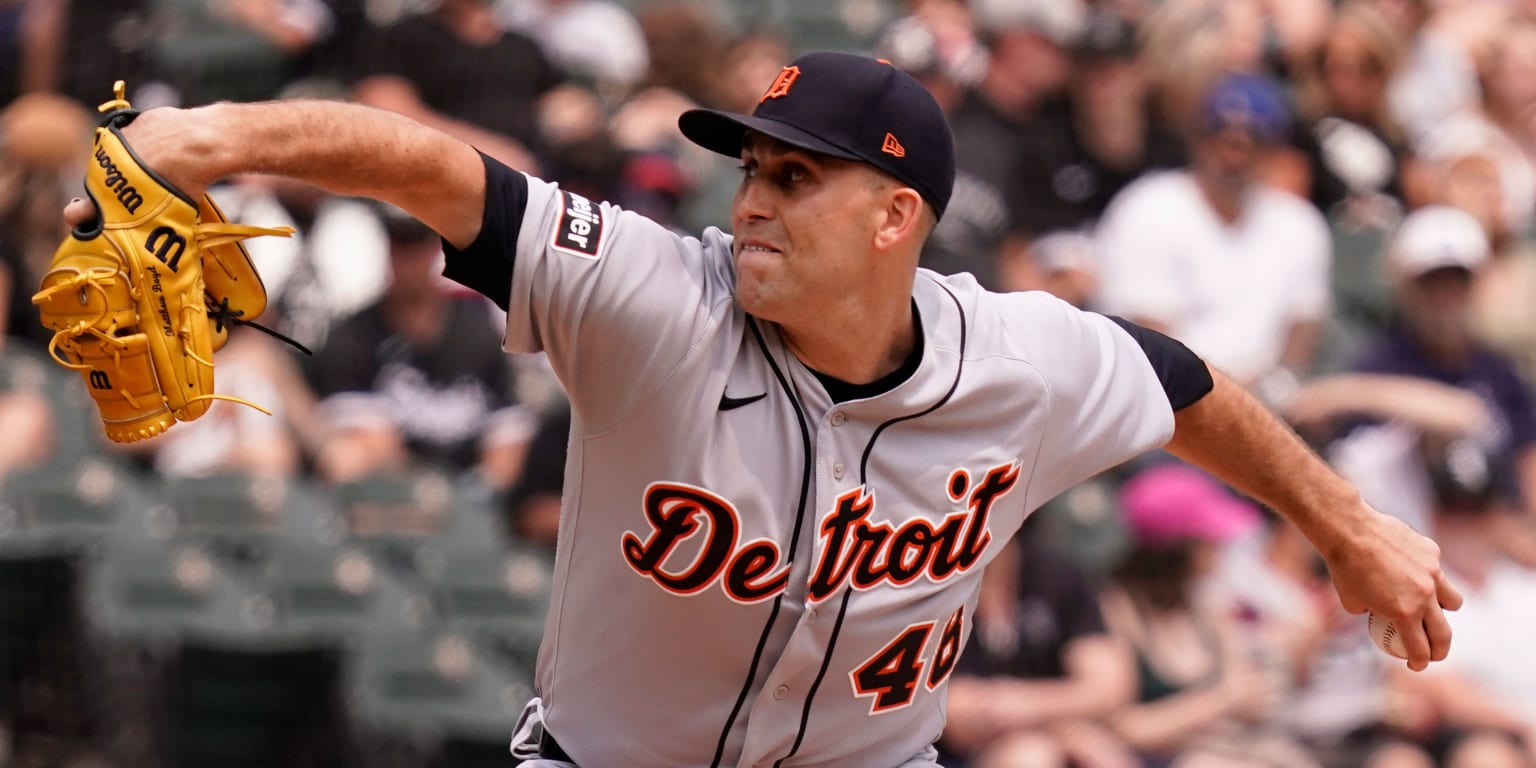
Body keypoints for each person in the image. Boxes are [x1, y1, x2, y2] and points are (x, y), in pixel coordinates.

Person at [63, 51, 1460, 767]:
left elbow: (1184, 383)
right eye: (754, 172)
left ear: (897, 217)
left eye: (799, 179)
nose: (754, 203)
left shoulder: (1020, 361)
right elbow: (432, 171)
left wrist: (1347, 530)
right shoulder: (657, 299)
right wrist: (207, 139)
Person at [1093, 72, 1333, 398]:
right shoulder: (1147, 207)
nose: (1234, 152)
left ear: (1273, 149)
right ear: (1197, 138)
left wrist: (1269, 387)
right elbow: (1146, 332)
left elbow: (1303, 327)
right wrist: (1224, 396)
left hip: (1265, 400)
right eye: (1220, 134)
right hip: (1164, 398)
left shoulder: (1298, 223)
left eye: (1252, 139)